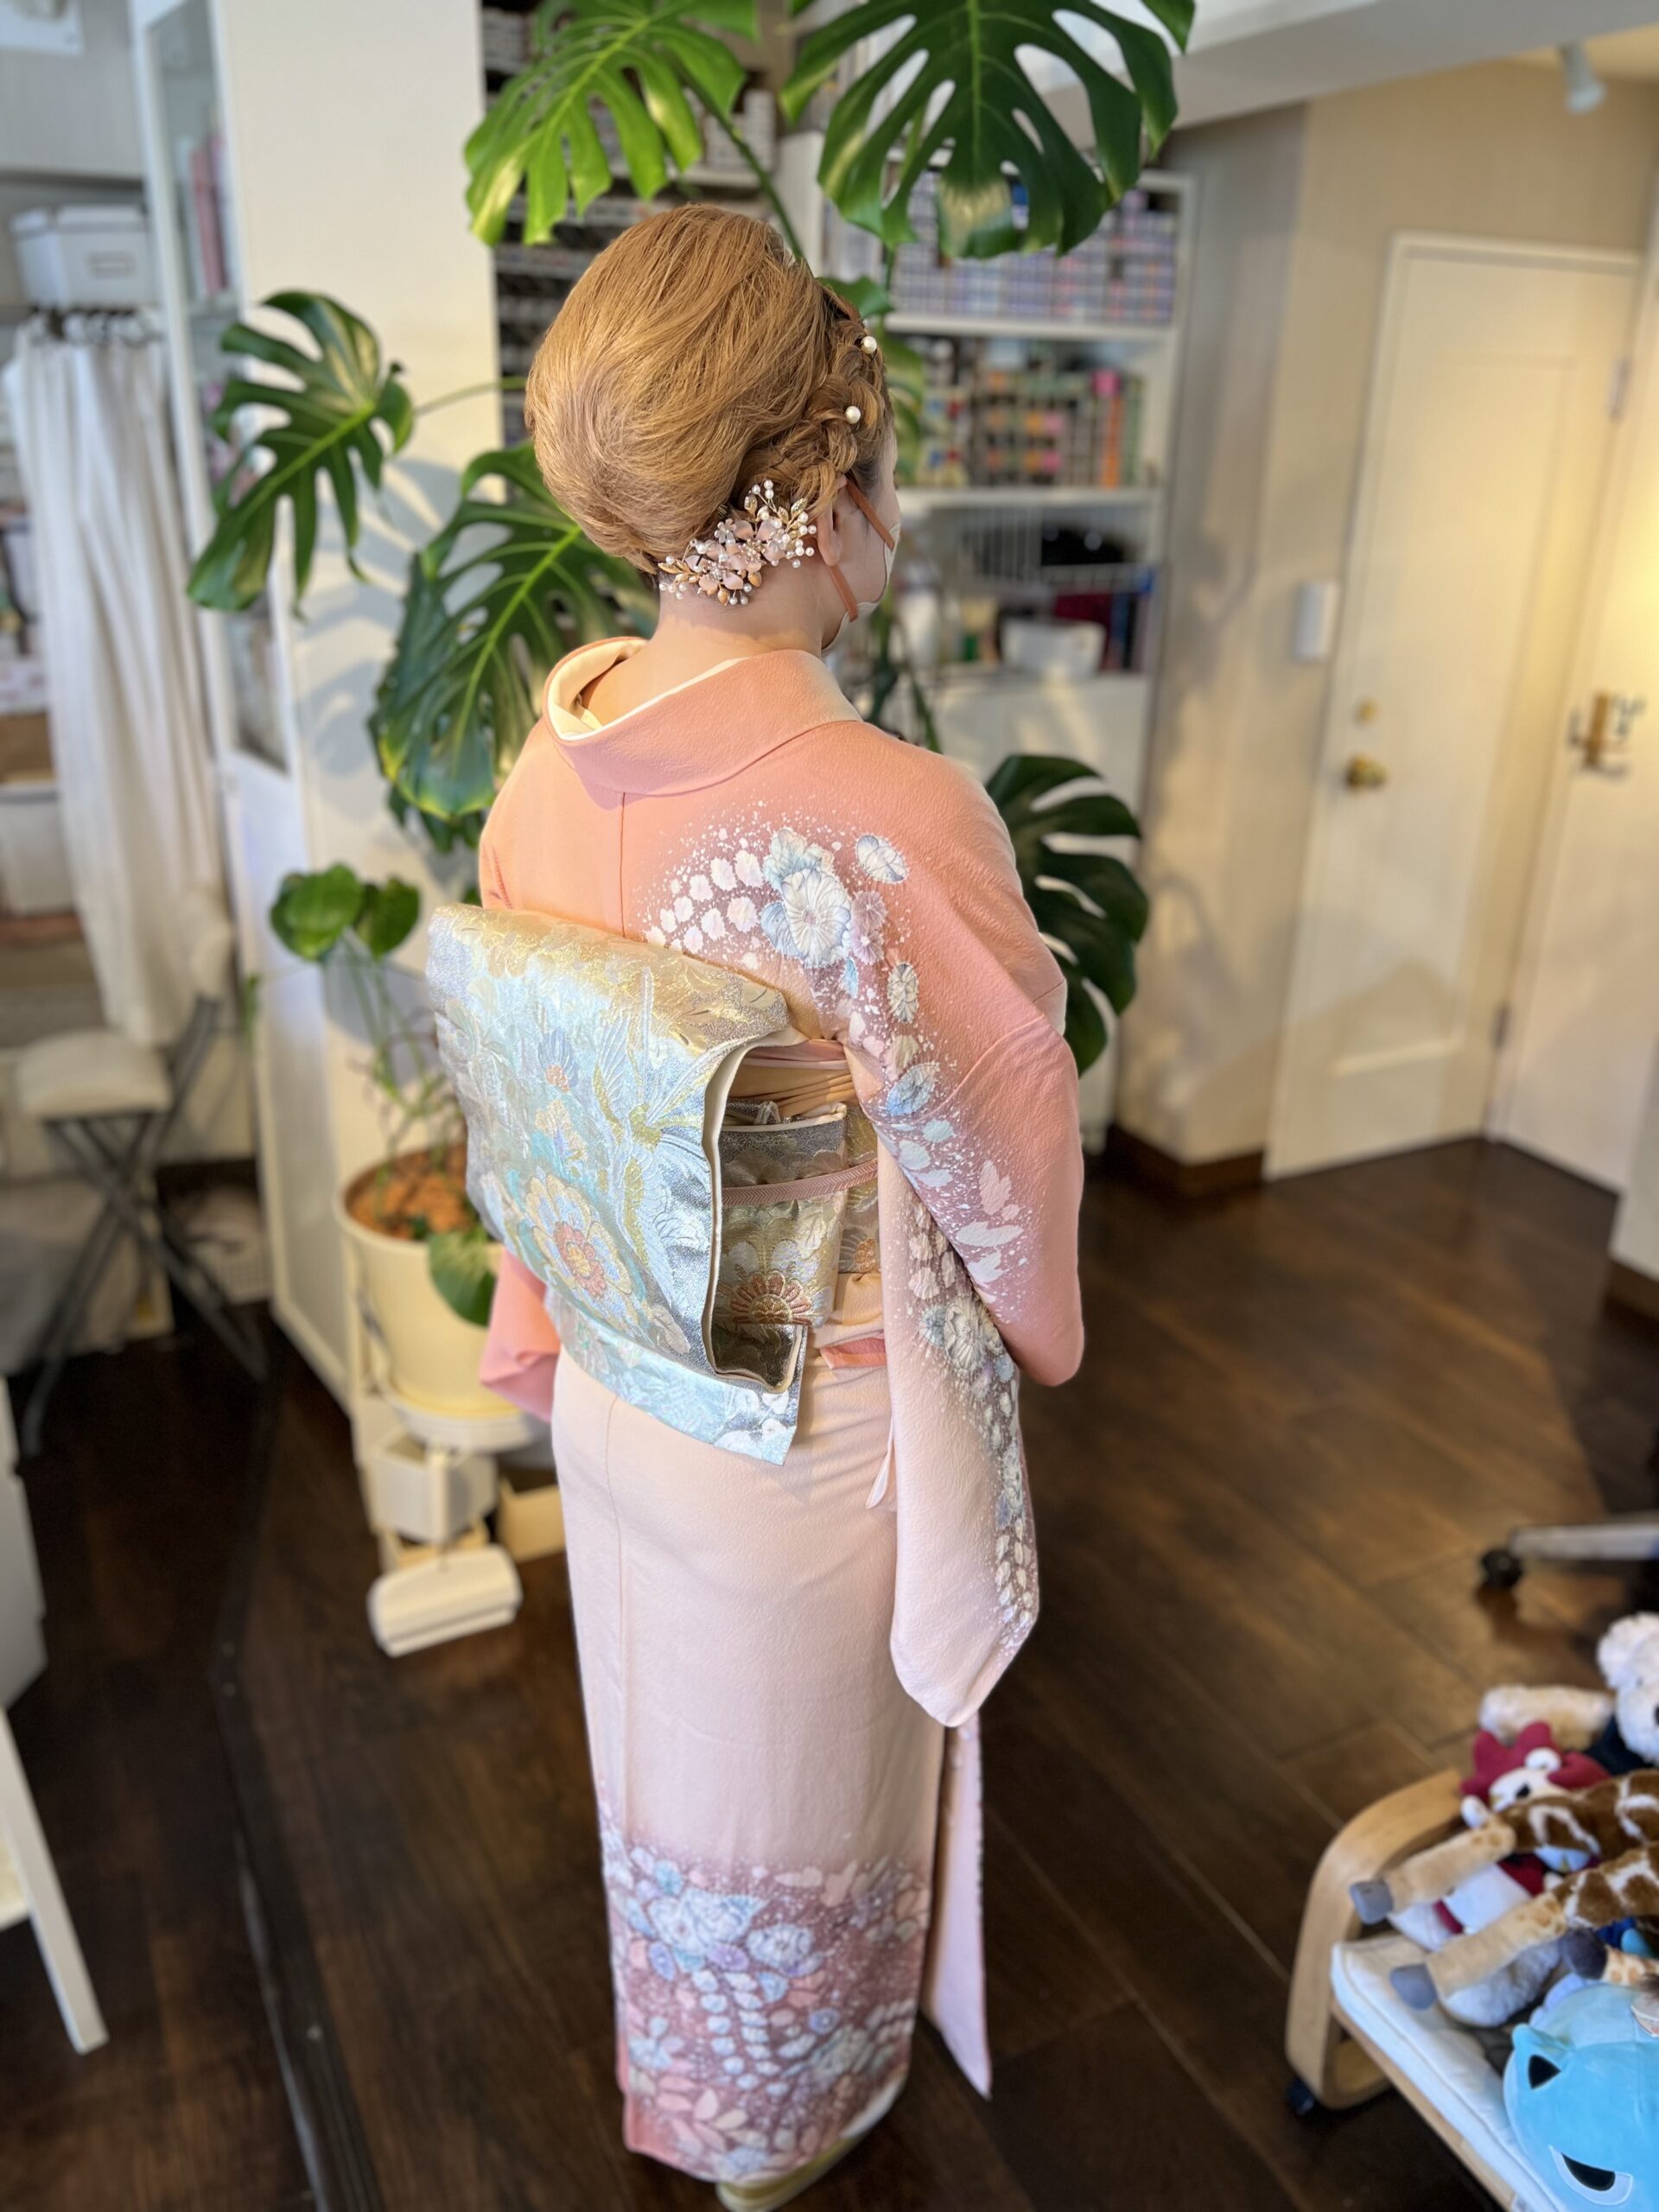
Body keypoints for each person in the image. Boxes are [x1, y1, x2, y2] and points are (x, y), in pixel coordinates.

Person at [473, 202, 1084, 2209]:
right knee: (800, 1802)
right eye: (879, 462)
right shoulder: (885, 811)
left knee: (662, 1763)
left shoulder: (548, 760)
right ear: (820, 490)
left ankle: (698, 2078)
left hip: (621, 1388)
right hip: (799, 1428)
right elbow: (1002, 1130)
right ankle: (779, 2123)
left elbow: (532, 1111)